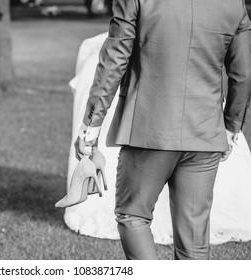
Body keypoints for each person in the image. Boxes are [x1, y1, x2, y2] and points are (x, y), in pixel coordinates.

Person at [73, 0, 251, 260]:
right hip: (205, 133)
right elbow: (243, 74)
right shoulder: (233, 2)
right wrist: (231, 127)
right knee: (194, 241)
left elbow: (114, 59)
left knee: (133, 215)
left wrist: (90, 126)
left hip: (147, 130)